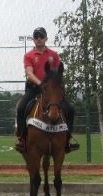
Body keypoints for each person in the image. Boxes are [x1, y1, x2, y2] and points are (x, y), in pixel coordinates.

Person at [14, 26, 78, 154]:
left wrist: (55, 87)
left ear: (46, 38)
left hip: (52, 91)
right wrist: (40, 84)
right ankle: (22, 140)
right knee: (21, 108)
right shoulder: (29, 55)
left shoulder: (54, 55)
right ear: (33, 39)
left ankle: (67, 140)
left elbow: (57, 74)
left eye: (41, 36)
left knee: (70, 110)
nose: (39, 39)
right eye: (36, 37)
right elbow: (29, 73)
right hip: (35, 89)